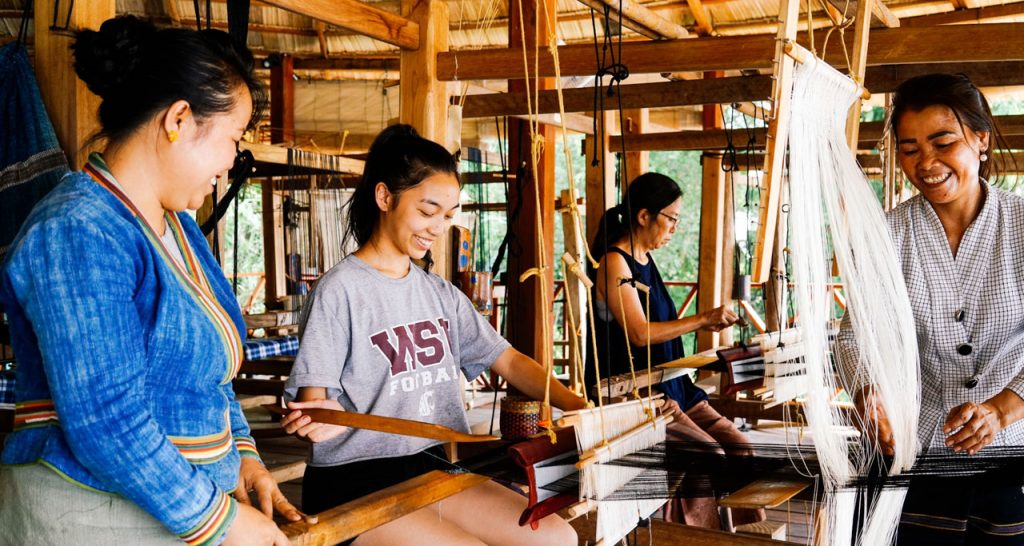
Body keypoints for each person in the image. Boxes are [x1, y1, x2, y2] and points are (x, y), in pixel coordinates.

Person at [0, 16, 300, 546]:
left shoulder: (179, 227)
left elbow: (207, 369)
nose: (232, 160)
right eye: (232, 138)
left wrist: (244, 458)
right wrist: (221, 521)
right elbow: (105, 420)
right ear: (179, 119)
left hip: (170, 507)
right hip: (87, 512)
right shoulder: (78, 230)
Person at [280, 124, 585, 546]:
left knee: (557, 539)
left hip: (431, 467)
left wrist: (578, 406)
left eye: (448, 214)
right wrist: (317, 417)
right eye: (427, 211)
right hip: (355, 479)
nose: (439, 227)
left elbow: (509, 360)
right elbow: (316, 403)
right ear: (385, 197)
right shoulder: (340, 291)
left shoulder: (439, 293)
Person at [836, 73, 1024, 545]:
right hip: (915, 451)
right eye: (910, 149)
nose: (927, 163)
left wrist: (1001, 411)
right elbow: (854, 335)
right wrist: (869, 389)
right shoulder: (886, 234)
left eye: (943, 142)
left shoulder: (1021, 226)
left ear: (980, 141)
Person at [585, 172, 762, 529]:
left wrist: (704, 327)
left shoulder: (646, 261)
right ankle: (691, 537)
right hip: (637, 395)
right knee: (704, 454)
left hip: (675, 388)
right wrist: (702, 320)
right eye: (671, 218)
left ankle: (736, 532)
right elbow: (639, 333)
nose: (675, 228)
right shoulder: (613, 263)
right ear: (644, 216)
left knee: (739, 445)